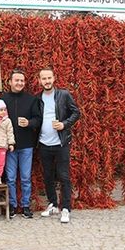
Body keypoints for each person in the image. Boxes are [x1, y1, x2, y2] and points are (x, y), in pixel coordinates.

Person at [36, 67, 81, 223]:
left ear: (54, 78)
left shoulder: (63, 95)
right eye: (44, 78)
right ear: (39, 80)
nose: (47, 81)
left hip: (61, 143)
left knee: (63, 176)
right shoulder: (38, 98)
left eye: (49, 78)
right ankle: (53, 204)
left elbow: (76, 113)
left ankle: (66, 208)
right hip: (43, 143)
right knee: (48, 176)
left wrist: (64, 124)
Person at [2, 68, 42, 218]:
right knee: (11, 178)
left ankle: (25, 206)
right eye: (16, 80)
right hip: (9, 146)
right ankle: (12, 205)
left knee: (25, 177)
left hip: (26, 145)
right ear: (10, 82)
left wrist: (29, 122)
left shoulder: (31, 99)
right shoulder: (3, 100)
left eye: (22, 80)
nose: (19, 83)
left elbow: (38, 120)